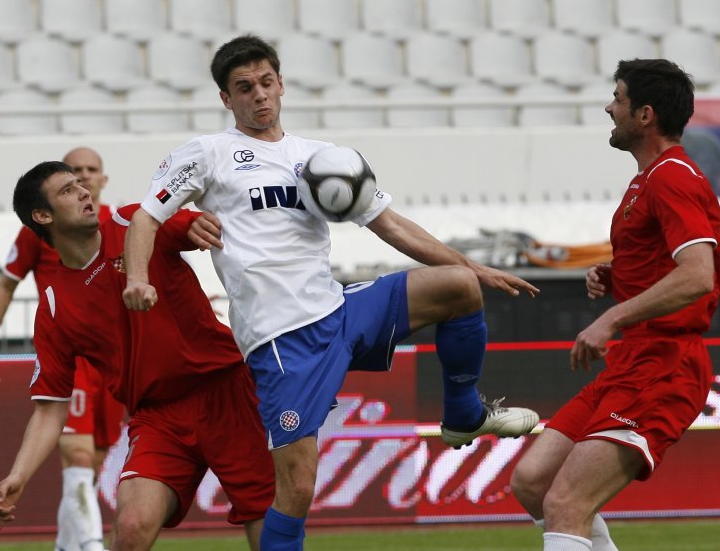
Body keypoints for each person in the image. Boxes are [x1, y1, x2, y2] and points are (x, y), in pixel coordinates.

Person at [122, 34, 540, 551]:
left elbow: (390, 225)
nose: (259, 94)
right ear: (226, 99)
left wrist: (475, 266)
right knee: (296, 489)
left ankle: (462, 416)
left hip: (338, 309)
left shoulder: (322, 158)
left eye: (267, 82)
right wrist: (137, 278)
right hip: (281, 342)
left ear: (282, 85)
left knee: (457, 286)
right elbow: (144, 217)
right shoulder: (209, 154)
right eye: (244, 87)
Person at [0, 161, 275, 551]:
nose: (85, 190)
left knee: (266, 522)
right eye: (68, 190)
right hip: (157, 417)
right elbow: (51, 408)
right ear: (43, 215)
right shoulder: (54, 305)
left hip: (226, 391)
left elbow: (185, 222)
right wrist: (17, 476)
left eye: (82, 183)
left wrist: (194, 225)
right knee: (131, 528)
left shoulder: (131, 223)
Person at [509, 59, 720, 551]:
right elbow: (669, 265)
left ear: (644, 114)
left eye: (619, 99)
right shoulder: (648, 181)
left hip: (665, 364)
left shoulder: (673, 177)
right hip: (633, 362)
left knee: (566, 503)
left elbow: (697, 274)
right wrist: (618, 276)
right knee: (534, 483)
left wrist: (611, 316)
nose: (610, 107)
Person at [0, 147, 125, 551]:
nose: (84, 179)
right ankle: (91, 543)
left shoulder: (120, 225)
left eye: (92, 171)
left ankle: (66, 544)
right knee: (75, 454)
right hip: (67, 356)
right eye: (74, 172)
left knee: (92, 462)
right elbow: (6, 283)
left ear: (103, 180)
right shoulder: (39, 231)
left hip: (114, 363)